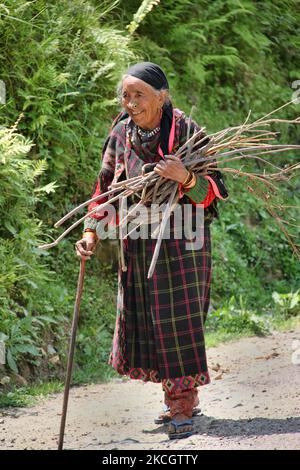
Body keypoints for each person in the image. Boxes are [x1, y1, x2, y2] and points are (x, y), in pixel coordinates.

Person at [75, 62, 228, 439]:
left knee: (176, 322)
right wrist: (91, 233)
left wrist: (187, 178)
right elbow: (105, 188)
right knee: (147, 319)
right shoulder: (120, 134)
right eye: (125, 95)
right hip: (139, 240)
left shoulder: (187, 132)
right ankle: (172, 396)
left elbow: (215, 190)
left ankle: (182, 403)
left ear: (162, 96)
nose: (129, 102)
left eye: (138, 95)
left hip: (183, 242)